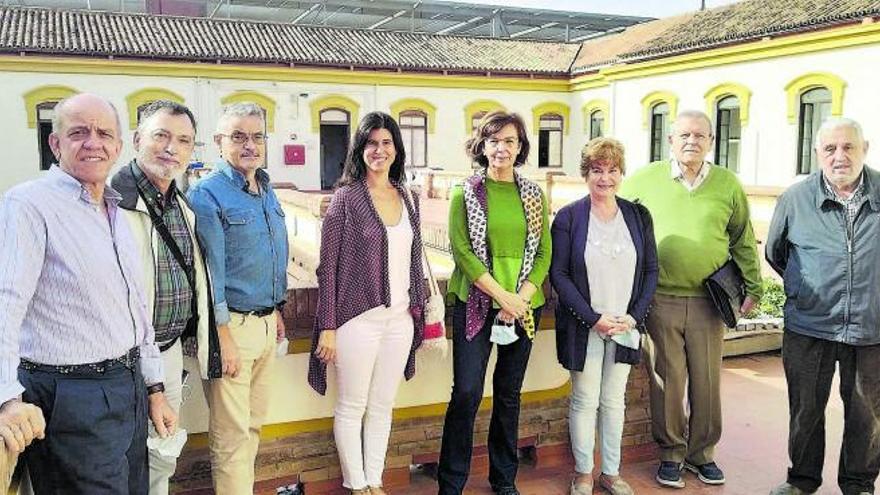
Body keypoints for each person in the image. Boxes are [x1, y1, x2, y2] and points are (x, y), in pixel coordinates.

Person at [0, 93, 175, 494]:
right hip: (69, 397)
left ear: (118, 146)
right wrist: (7, 400)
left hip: (125, 386)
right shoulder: (29, 204)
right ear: (55, 143)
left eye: (103, 133)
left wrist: (153, 388)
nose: (93, 142)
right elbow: (4, 304)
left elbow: (135, 308)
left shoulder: (114, 209)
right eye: (78, 133)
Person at [619, 110, 762, 488]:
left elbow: (742, 240)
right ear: (670, 140)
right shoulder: (644, 179)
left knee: (707, 381)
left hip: (709, 301)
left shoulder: (728, 184)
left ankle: (702, 456)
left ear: (711, 141)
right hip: (659, 298)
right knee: (666, 380)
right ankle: (670, 454)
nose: (691, 141)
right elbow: (615, 219)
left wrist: (753, 286)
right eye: (683, 135)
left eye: (700, 135)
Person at [308, 111, 426, 495]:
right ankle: (356, 485)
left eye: (386, 142)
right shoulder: (346, 199)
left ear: (397, 148)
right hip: (357, 320)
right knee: (352, 405)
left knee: (383, 404)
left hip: (400, 319)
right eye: (371, 143)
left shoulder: (409, 197)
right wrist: (327, 327)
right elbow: (329, 268)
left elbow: (413, 259)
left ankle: (375, 481)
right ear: (360, 149)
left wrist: (417, 313)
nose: (379, 150)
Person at [110, 99, 223, 494]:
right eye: (161, 136)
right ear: (138, 139)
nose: (171, 148)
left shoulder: (182, 203)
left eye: (183, 140)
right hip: (119, 359)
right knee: (118, 454)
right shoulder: (111, 203)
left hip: (168, 351)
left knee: (162, 449)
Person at [437, 111, 552, 495]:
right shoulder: (465, 191)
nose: (501, 148)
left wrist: (520, 299)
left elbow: (543, 256)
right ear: (482, 146)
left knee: (508, 394)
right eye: (493, 140)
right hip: (476, 304)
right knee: (467, 393)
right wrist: (501, 296)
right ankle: (451, 483)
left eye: (509, 141)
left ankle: (504, 480)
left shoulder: (534, 195)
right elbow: (463, 252)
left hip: (522, 309)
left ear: (520, 148)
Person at [765, 118, 880, 495]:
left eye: (849, 147)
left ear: (866, 148)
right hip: (809, 323)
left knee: (867, 415)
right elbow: (776, 252)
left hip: (871, 325)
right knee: (805, 410)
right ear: (818, 154)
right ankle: (802, 480)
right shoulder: (795, 199)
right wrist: (805, 289)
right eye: (830, 149)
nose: (839, 156)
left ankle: (859, 484)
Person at [187, 102, 289, 495]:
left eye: (257, 136)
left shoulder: (265, 189)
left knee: (253, 425)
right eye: (238, 136)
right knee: (231, 437)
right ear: (219, 142)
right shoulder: (207, 194)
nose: (250, 144)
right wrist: (222, 334)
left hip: (265, 325)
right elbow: (209, 274)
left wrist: (277, 308)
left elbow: (269, 254)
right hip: (231, 330)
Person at [551, 137, 658, 495]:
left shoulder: (639, 216)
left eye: (612, 170)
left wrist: (633, 317)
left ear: (621, 173)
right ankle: (583, 471)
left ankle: (610, 473)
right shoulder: (568, 218)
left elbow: (650, 272)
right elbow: (559, 276)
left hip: (625, 326)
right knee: (584, 399)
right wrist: (592, 318)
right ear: (586, 174)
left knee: (614, 400)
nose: (605, 178)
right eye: (597, 170)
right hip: (586, 326)